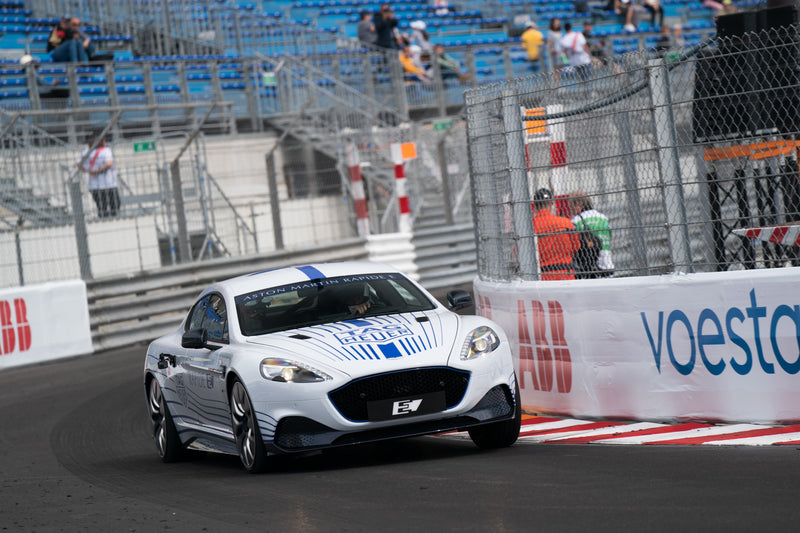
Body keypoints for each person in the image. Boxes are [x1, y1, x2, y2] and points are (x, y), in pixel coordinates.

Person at [532, 188, 580, 281]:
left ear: (535, 205)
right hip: (566, 274)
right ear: (551, 203)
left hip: (542, 276)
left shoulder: (531, 227)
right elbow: (576, 247)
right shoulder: (566, 223)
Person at [568, 190, 614, 278]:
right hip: (608, 265)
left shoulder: (576, 221)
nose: (570, 210)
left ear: (578, 204)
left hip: (591, 269)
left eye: (571, 206)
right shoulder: (603, 217)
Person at [76, 132, 120, 218]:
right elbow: (109, 163)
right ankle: (113, 221)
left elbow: (77, 165)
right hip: (108, 183)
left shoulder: (86, 152)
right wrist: (98, 170)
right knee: (114, 204)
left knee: (101, 207)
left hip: (94, 185)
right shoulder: (105, 150)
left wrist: (89, 170)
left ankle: (104, 220)